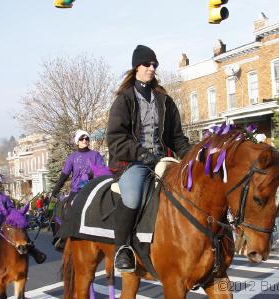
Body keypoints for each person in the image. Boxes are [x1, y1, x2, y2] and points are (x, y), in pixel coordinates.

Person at [107, 44, 191, 272]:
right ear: (136, 67)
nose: (151, 68)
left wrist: (192, 156)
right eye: (147, 64)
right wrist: (141, 154)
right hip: (132, 162)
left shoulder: (164, 100)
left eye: (154, 64)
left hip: (163, 160)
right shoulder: (124, 100)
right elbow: (115, 138)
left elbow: (177, 137)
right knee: (133, 196)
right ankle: (122, 249)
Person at [0, 171, 46, 275]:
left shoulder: (4, 198)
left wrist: (18, 214)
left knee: (21, 234)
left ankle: (34, 252)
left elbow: (11, 209)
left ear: (0, 187)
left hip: (6, 224)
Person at [51, 129, 106, 250]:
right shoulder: (72, 157)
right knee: (66, 208)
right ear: (77, 142)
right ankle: (62, 237)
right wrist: (56, 189)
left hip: (93, 188)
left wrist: (93, 173)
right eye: (82, 139)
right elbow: (64, 174)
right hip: (77, 190)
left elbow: (102, 170)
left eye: (87, 138)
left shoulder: (95, 155)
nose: (85, 140)